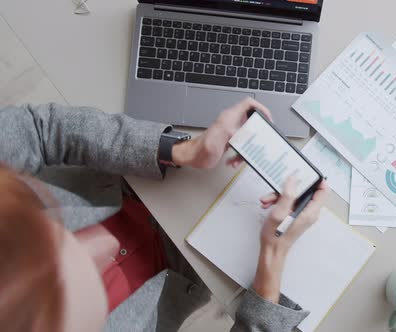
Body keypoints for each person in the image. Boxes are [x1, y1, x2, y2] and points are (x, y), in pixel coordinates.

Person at [0, 98, 328, 332]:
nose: (103, 242)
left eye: (52, 232)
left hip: (135, 179)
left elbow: (39, 130)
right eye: (66, 286)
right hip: (191, 264)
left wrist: (182, 150)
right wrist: (272, 258)